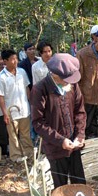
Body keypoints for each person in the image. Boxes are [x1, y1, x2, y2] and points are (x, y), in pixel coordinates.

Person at [31, 53, 86, 188]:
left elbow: (80, 112)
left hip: (74, 143)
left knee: (79, 184)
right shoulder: (40, 89)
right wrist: (60, 141)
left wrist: (80, 135)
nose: (70, 82)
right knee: (60, 187)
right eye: (66, 79)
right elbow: (38, 123)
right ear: (55, 75)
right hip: (54, 147)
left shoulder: (73, 86)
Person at [0, 49, 34, 162]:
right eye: (12, 59)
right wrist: (5, 114)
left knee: (26, 134)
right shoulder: (1, 77)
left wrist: (31, 104)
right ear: (5, 61)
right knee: (13, 136)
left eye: (16, 58)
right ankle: (16, 156)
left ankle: (29, 153)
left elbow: (27, 89)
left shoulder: (22, 72)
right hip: (11, 112)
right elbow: (1, 97)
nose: (15, 61)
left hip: (24, 109)